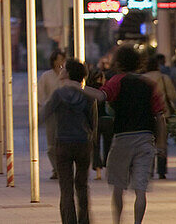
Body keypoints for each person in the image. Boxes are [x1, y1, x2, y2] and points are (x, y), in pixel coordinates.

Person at [102, 44, 166, 224]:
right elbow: (160, 116)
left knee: (118, 186)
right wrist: (161, 143)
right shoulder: (149, 84)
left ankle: (118, 221)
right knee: (140, 189)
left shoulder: (116, 81)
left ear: (119, 63)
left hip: (122, 138)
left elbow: (104, 98)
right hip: (145, 139)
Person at [41, 59, 103, 224]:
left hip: (63, 143)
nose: (61, 69)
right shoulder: (88, 96)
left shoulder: (58, 95)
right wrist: (92, 140)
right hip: (83, 144)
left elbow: (44, 114)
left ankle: (69, 221)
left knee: (66, 188)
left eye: (64, 68)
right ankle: (85, 220)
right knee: (82, 185)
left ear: (68, 74)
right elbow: (93, 123)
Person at [143, 55, 176, 178]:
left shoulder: (141, 79)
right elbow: (172, 95)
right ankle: (161, 171)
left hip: (146, 115)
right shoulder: (164, 78)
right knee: (162, 142)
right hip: (163, 114)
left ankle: (149, 170)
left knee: (148, 142)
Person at [40, 48, 68, 179]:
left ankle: (63, 169)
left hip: (65, 113)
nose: (62, 61)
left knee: (64, 142)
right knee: (51, 144)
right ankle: (56, 168)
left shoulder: (67, 75)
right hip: (51, 112)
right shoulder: (46, 76)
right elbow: (40, 94)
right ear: (54, 61)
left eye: (63, 59)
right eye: (60, 59)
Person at [87, 69, 113, 180]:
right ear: (100, 78)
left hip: (94, 121)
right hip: (107, 120)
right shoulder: (105, 90)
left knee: (95, 146)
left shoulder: (89, 91)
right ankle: (108, 169)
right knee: (108, 145)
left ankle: (98, 172)